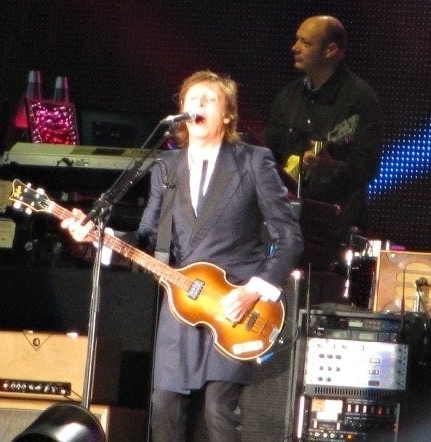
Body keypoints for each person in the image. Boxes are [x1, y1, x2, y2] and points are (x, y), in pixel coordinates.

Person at [61, 70, 303, 441]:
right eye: (192, 100)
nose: (198, 106)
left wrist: (254, 290)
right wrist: (97, 238)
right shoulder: (166, 168)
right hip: (181, 305)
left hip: (234, 304)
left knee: (218, 410)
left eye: (209, 100)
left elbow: (288, 237)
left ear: (227, 115)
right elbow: (146, 240)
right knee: (164, 406)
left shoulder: (253, 161)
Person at [263, 15, 384, 242]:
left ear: (331, 50)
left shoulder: (359, 99)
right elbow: (269, 153)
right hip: (285, 223)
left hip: (335, 229)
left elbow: (367, 168)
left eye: (305, 43)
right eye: (297, 40)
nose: (294, 48)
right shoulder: (288, 97)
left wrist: (330, 167)